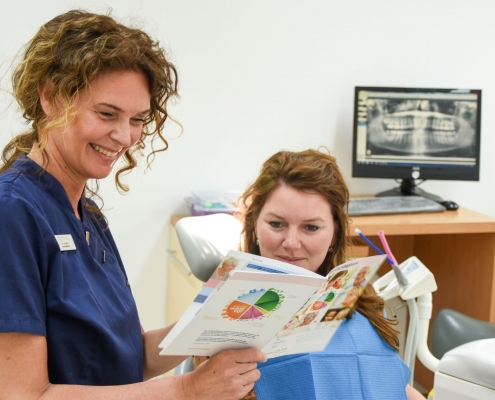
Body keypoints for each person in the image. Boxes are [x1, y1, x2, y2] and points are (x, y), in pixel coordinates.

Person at [0, 10, 264, 400]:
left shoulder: (88, 217)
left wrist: (212, 327)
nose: (124, 136)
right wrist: (187, 390)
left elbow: (127, 357)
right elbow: (23, 394)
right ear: (52, 96)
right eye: (107, 114)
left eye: (138, 119)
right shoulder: (13, 214)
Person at [238, 149, 425, 399]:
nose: (291, 242)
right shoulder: (230, 312)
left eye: (311, 227)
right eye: (276, 224)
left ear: (335, 233)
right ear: (254, 225)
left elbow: (395, 385)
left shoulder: (361, 301)